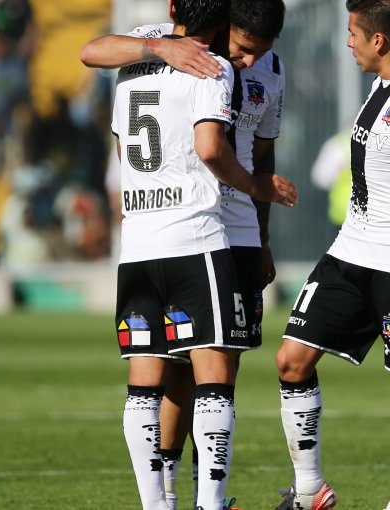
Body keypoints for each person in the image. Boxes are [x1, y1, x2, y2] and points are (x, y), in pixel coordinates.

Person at [82, 1, 288, 508]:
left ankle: (161, 503)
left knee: (146, 378)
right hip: (197, 233)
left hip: (141, 237)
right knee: (210, 374)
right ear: (223, 23)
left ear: (174, 6)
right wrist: (258, 187)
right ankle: (207, 503)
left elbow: (93, 59)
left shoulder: (133, 54)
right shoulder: (208, 64)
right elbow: (211, 148)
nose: (243, 61)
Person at [274, 1, 390, 509]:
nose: (348, 42)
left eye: (353, 33)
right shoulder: (382, 85)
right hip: (349, 254)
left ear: (379, 40)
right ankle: (311, 490)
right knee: (291, 360)